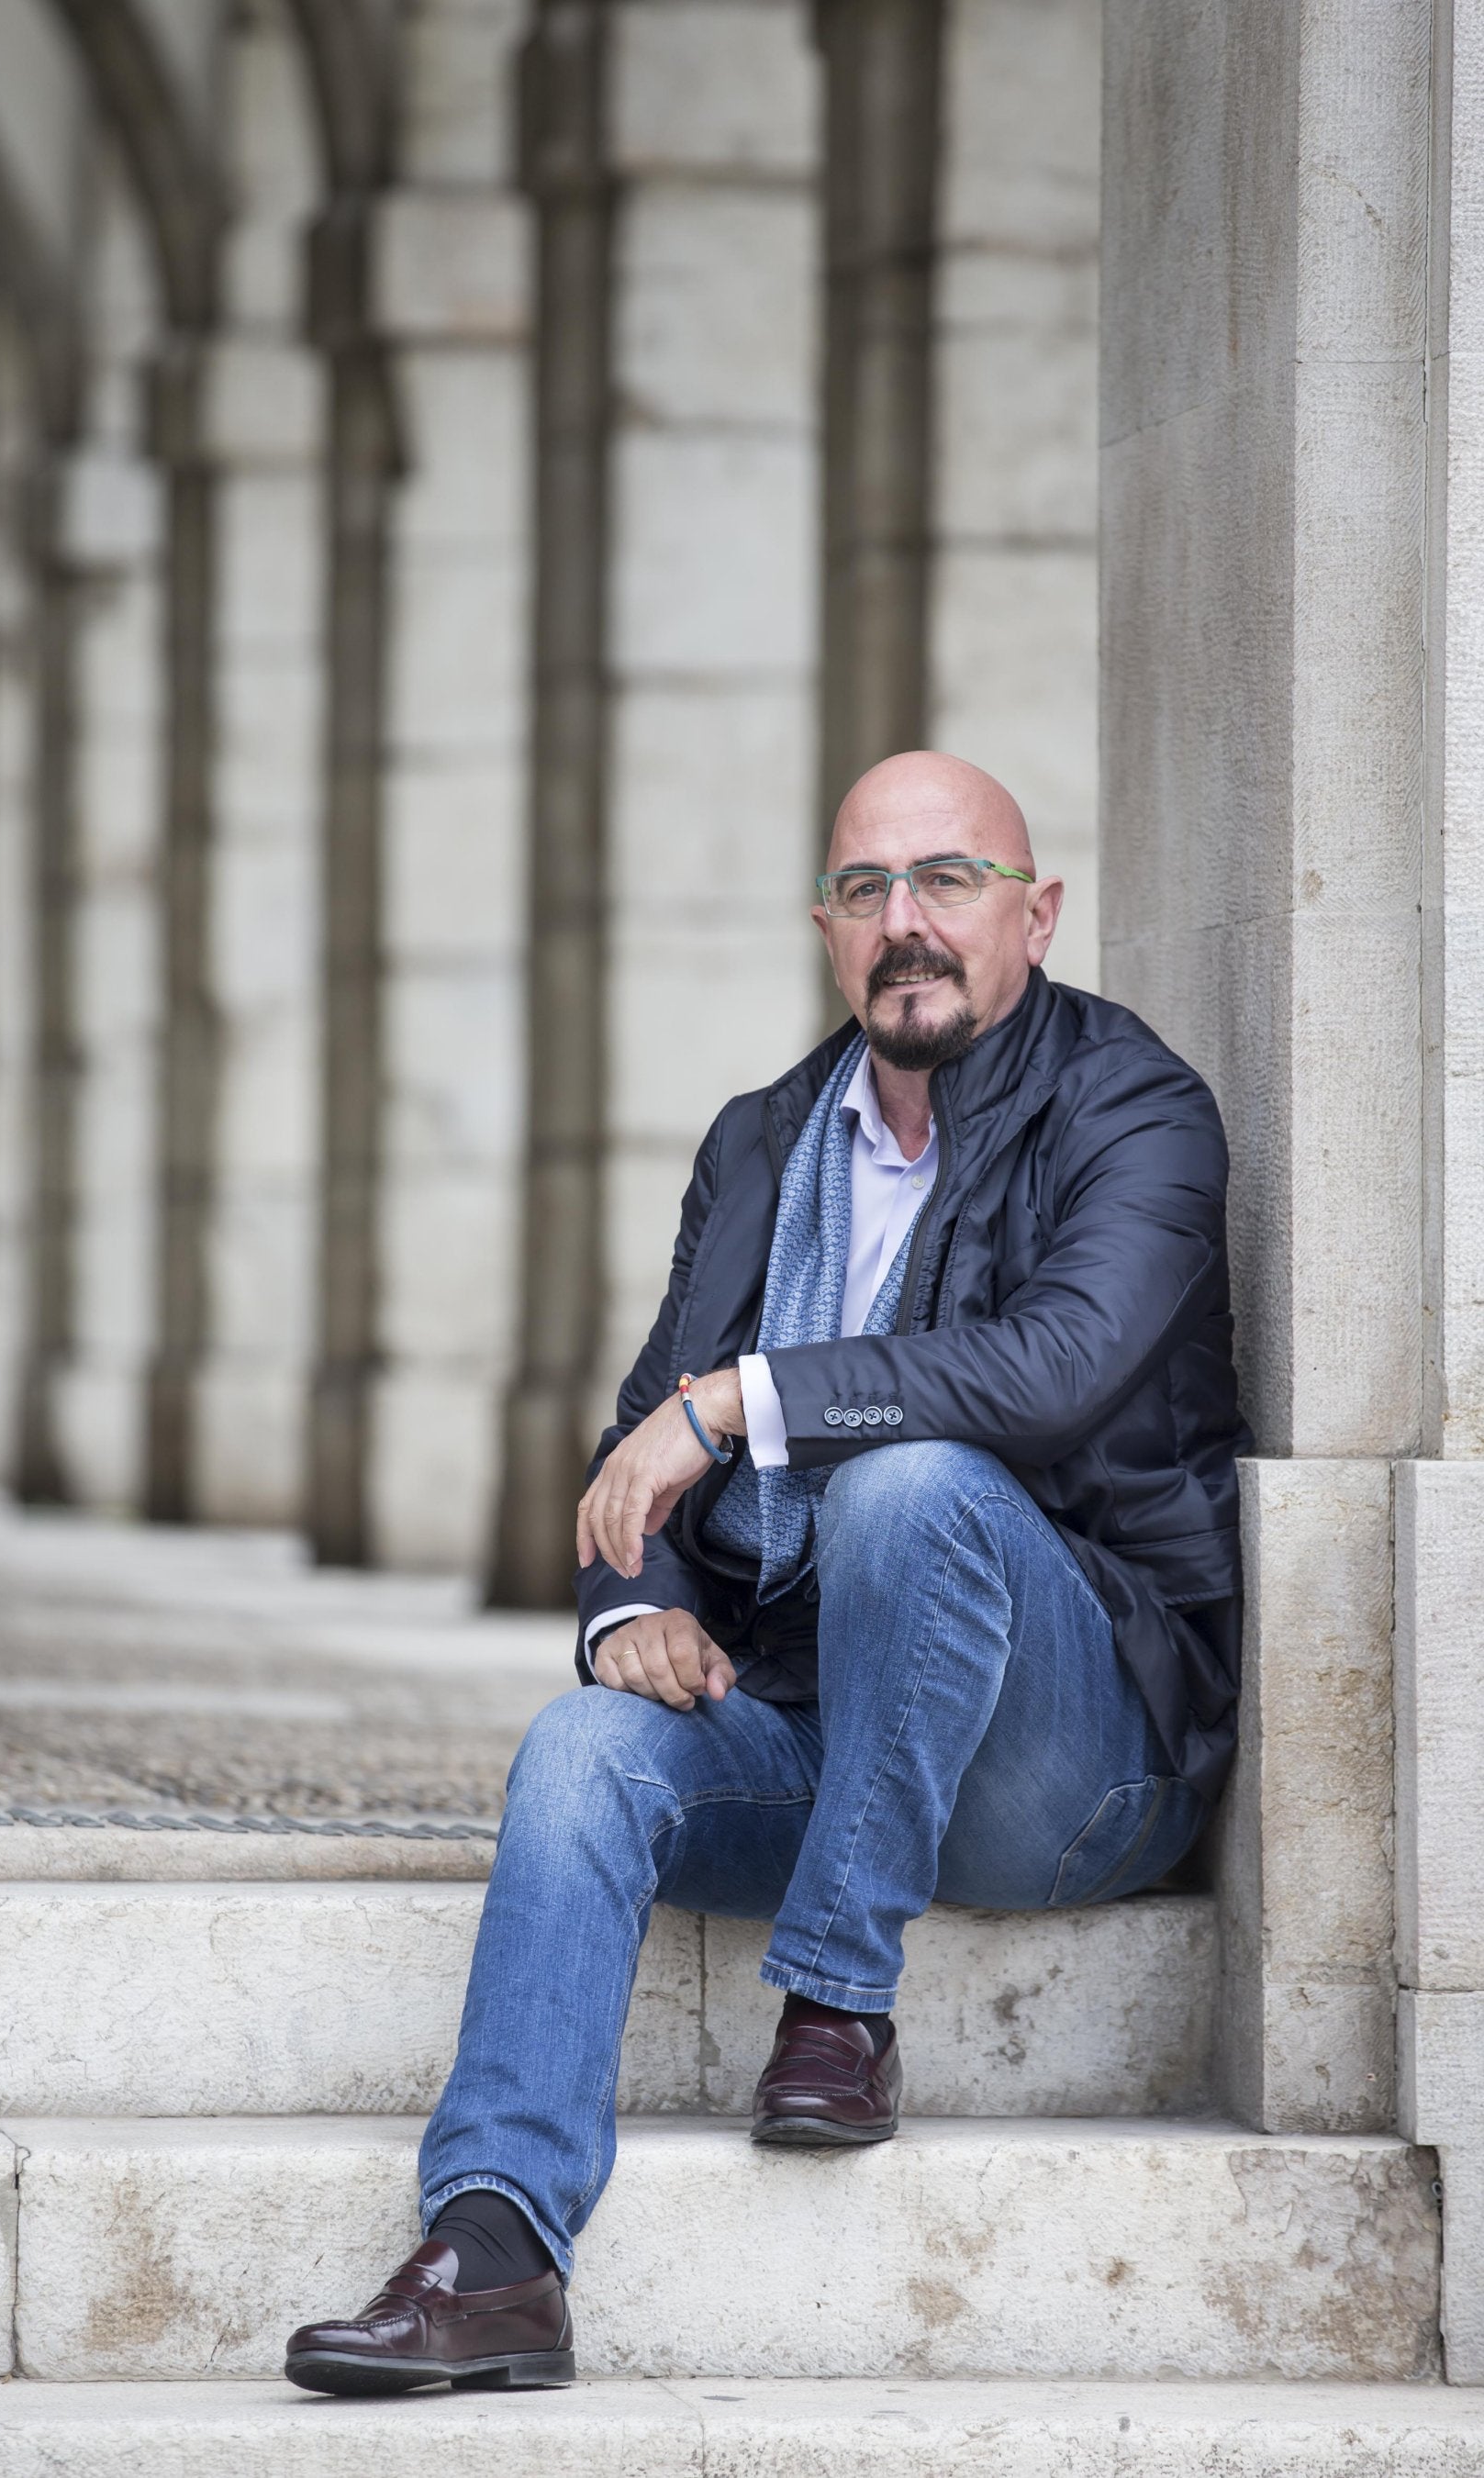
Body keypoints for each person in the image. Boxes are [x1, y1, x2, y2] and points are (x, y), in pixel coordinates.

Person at [285, 750, 1250, 2398]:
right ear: (825, 925)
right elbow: (633, 1435)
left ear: (1039, 912)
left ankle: (836, 2002)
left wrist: (750, 1400)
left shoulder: (1136, 1107)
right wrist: (632, 1607)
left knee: (911, 1483)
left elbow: (1056, 1367)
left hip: (1076, 1759)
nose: (907, 924)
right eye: (866, 890)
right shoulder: (762, 1145)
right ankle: (495, 2249)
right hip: (818, 1717)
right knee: (583, 1749)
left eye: (949, 881)